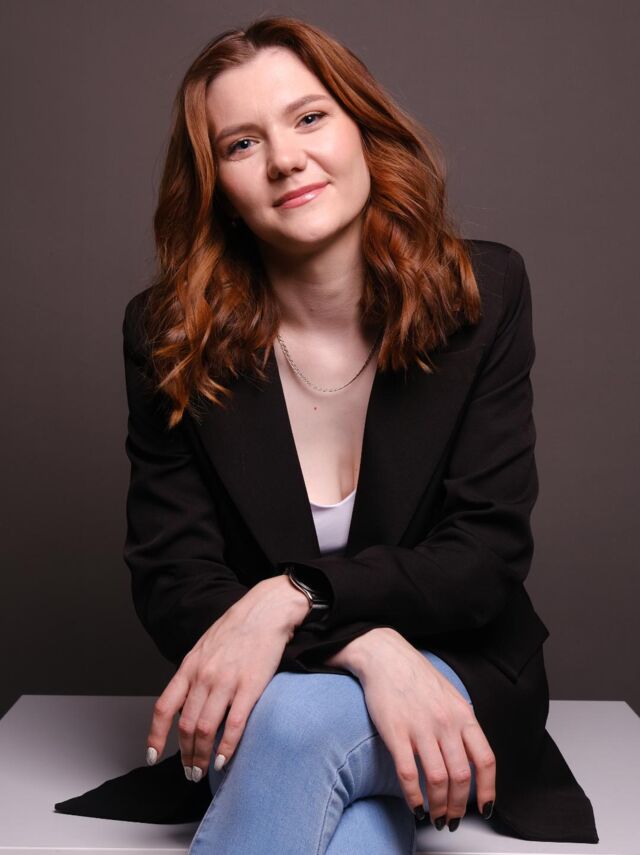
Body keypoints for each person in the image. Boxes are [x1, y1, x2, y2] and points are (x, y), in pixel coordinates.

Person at [53, 14, 598, 852]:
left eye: (309, 117)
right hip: (275, 683)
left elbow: (481, 559)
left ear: (363, 130)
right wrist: (368, 646)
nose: (284, 159)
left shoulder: (482, 294)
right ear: (216, 186)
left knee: (296, 725)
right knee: (324, 771)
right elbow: (174, 581)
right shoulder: (168, 334)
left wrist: (293, 594)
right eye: (241, 144)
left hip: (459, 673)